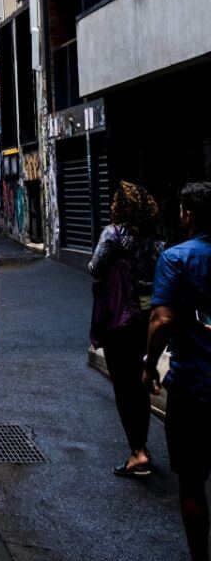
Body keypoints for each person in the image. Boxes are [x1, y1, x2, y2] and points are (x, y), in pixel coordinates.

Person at [144, 182, 211, 561]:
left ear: (186, 214)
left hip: (193, 385)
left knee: (191, 483)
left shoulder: (176, 258)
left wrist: (150, 365)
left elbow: (160, 321)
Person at [88, 181, 163, 477]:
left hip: (118, 316)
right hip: (144, 316)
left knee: (123, 384)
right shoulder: (155, 239)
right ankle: (141, 446)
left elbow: (95, 267)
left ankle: (138, 452)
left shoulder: (114, 234)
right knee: (138, 380)